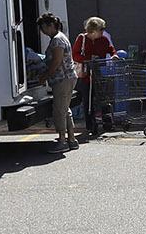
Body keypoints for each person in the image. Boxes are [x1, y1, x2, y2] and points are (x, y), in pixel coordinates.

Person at [35, 13, 76, 152]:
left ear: (51, 25)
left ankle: (62, 141)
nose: (42, 31)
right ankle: (71, 139)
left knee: (59, 110)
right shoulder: (59, 38)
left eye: (43, 27)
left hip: (62, 79)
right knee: (65, 109)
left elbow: (56, 62)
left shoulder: (57, 40)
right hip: (66, 78)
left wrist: (45, 76)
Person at [72, 16, 116, 138]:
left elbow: (111, 49)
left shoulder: (103, 40)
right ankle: (90, 125)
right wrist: (87, 59)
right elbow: (74, 55)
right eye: (100, 30)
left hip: (98, 72)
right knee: (88, 100)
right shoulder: (82, 39)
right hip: (86, 74)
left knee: (103, 98)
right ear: (93, 30)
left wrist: (114, 55)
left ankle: (107, 122)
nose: (103, 32)